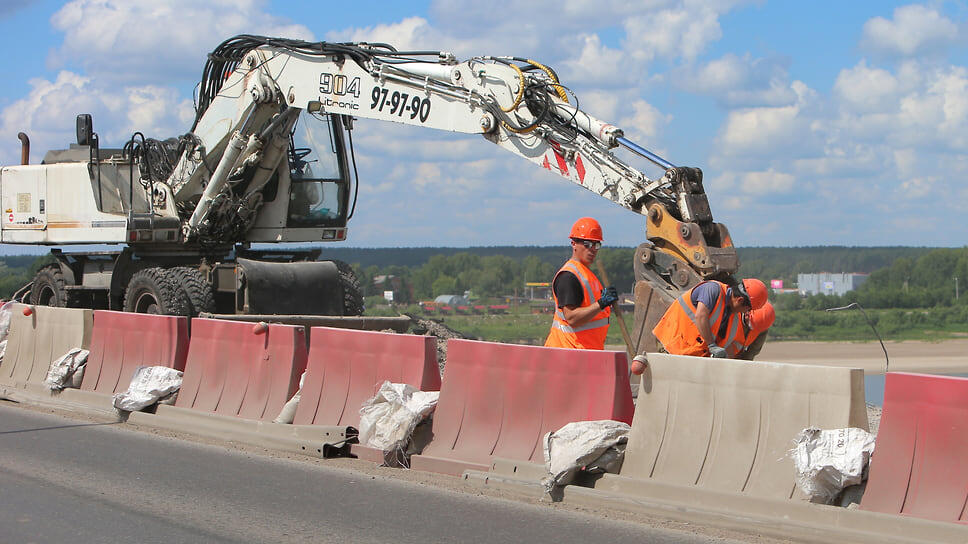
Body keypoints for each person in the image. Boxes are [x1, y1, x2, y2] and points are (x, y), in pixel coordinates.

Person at [544, 217, 617, 350]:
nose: (592, 249)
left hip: (586, 350)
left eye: (596, 244)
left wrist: (605, 301)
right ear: (573, 244)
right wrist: (601, 303)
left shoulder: (587, 275)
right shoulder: (568, 276)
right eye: (587, 244)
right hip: (568, 350)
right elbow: (572, 318)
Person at [652, 277, 767, 358]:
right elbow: (701, 316)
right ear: (740, 300)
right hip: (671, 343)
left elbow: (723, 342)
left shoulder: (731, 316)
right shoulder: (712, 289)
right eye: (748, 309)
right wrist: (712, 345)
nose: (746, 312)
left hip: (689, 354)